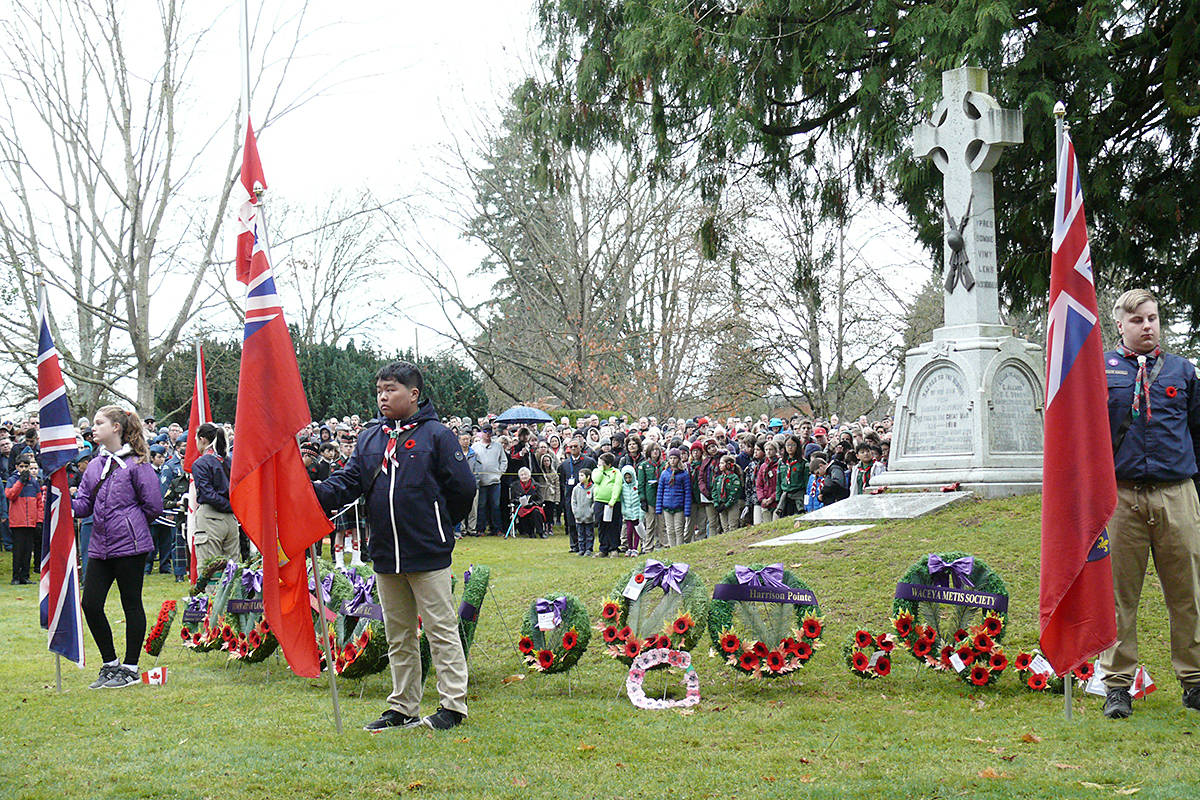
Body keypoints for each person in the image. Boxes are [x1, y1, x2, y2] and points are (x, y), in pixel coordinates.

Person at [315, 361, 475, 731]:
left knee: (441, 630)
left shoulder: (437, 435)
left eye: (391, 390)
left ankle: (453, 705)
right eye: (379, 391)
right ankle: (403, 706)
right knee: (398, 634)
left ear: (413, 394)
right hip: (385, 552)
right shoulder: (371, 437)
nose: (383, 397)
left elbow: (463, 488)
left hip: (428, 552)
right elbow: (349, 481)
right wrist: (310, 493)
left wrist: (438, 523)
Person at [1099, 289, 1200, 719]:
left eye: (1153, 318)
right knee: (1119, 596)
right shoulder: (1098, 370)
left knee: (1187, 593)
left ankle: (1194, 681)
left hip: (1176, 493)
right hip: (1121, 498)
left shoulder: (1184, 370)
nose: (1147, 326)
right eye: (1137, 319)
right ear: (1119, 323)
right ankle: (1118, 685)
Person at [72, 406, 163, 689]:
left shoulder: (137, 463)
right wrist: (62, 502)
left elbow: (154, 505)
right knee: (90, 603)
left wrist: (129, 523)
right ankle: (110, 664)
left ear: (116, 428)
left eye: (100, 423)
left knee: (130, 603)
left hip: (131, 546)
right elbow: (84, 505)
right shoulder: (95, 466)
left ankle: (131, 667)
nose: (94, 428)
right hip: (100, 545)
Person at [191, 423, 238, 564]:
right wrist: (232, 506)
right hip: (231, 519)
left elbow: (207, 494)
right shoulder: (230, 462)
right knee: (232, 571)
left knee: (210, 569)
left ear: (203, 439)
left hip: (211, 518)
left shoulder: (201, 463)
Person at [5, 453, 43, 584]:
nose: (24, 469)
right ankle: (16, 577)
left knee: (27, 551)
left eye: (26, 466)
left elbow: (39, 502)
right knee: (18, 551)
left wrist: (39, 520)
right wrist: (20, 482)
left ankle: (25, 576)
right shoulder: (12, 480)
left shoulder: (34, 482)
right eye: (21, 466)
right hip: (18, 521)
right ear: (16, 467)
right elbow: (10, 495)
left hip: (30, 522)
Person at [557, 439, 595, 553]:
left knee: (587, 522)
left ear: (580, 447)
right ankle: (574, 545)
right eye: (571, 447)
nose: (573, 449)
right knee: (571, 520)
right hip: (571, 496)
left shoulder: (589, 461)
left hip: (586, 495)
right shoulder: (565, 464)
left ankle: (587, 546)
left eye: (575, 446)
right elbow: (562, 480)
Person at [472, 426, 507, 537]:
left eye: (489, 432)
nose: (488, 434)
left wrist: (499, 474)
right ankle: (480, 529)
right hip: (481, 481)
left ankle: (496, 529)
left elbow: (504, 461)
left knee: (495, 505)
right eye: (485, 432)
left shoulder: (498, 446)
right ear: (481, 433)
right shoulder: (475, 447)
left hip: (495, 481)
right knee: (481, 506)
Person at [656, 448, 691, 548]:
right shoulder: (664, 474)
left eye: (675, 458)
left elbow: (687, 492)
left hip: (679, 506)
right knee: (670, 530)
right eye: (670, 458)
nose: (672, 460)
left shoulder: (684, 474)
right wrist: (659, 507)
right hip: (667, 506)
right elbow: (660, 491)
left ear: (679, 459)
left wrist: (687, 510)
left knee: (679, 529)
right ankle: (672, 548)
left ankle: (679, 548)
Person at [592, 452, 622, 557]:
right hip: (599, 501)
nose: (599, 464)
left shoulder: (616, 472)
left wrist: (613, 500)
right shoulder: (596, 471)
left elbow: (617, 486)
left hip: (612, 503)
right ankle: (603, 548)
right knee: (602, 525)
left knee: (613, 525)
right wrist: (600, 469)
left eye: (602, 462)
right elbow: (597, 480)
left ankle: (613, 548)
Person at [636, 443, 664, 552]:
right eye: (653, 450)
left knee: (662, 524)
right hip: (649, 498)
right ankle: (648, 547)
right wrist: (642, 499)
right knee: (650, 524)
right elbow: (641, 483)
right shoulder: (643, 465)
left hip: (661, 497)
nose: (655, 452)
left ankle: (663, 544)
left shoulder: (664, 465)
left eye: (657, 450)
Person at [776, 435, 807, 517]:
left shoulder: (803, 463)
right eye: (788, 445)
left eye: (793, 445)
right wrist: (778, 497)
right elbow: (779, 481)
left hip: (798, 495)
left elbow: (806, 481)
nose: (790, 447)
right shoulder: (782, 462)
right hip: (785, 496)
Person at [712, 454, 743, 534]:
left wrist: (726, 504)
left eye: (722, 463)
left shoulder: (734, 478)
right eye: (720, 463)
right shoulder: (718, 479)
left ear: (728, 465)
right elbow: (714, 491)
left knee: (732, 527)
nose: (719, 465)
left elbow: (734, 493)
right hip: (721, 505)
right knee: (725, 528)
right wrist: (716, 504)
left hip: (732, 505)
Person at [510, 466, 544, 538]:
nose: (524, 476)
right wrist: (519, 501)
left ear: (529, 475)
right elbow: (512, 499)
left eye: (525, 475)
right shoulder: (514, 486)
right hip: (521, 506)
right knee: (523, 513)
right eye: (522, 475)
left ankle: (540, 532)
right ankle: (530, 533)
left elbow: (540, 499)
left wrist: (532, 503)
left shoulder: (536, 485)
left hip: (533, 506)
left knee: (535, 511)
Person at [570, 468, 596, 556]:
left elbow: (594, 501)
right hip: (579, 516)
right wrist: (575, 512)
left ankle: (589, 549)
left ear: (588, 477)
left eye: (582, 475)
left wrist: (591, 511)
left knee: (589, 534)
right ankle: (581, 549)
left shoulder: (593, 488)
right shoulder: (576, 489)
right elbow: (573, 501)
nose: (580, 477)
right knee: (580, 534)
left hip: (589, 516)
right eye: (579, 475)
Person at [619, 465, 643, 556]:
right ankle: (629, 547)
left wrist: (641, 512)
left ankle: (635, 548)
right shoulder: (623, 487)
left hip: (637, 512)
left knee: (637, 531)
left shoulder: (637, 485)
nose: (628, 479)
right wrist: (624, 511)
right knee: (628, 532)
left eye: (630, 477)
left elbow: (640, 498)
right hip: (628, 513)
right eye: (626, 478)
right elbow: (623, 501)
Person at [755, 440, 779, 524]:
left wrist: (772, 498)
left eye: (771, 449)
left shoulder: (780, 464)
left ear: (776, 450)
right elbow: (759, 484)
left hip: (776, 501)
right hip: (765, 501)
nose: (768, 451)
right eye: (766, 449)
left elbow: (780, 484)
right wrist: (762, 499)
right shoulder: (763, 466)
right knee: (766, 524)